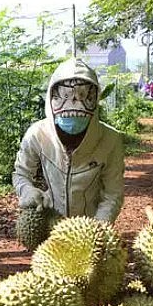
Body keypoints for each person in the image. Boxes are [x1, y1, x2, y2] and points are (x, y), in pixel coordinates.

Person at [13, 57, 124, 223]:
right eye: (64, 96)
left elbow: (112, 193)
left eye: (82, 96)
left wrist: (99, 227)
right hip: (49, 221)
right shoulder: (37, 134)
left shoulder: (110, 140)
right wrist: (26, 190)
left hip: (90, 224)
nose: (73, 102)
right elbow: (21, 173)